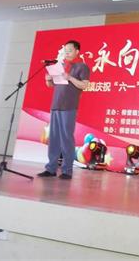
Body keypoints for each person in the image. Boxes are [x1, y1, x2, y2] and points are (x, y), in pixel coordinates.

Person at [38, 40, 89, 180]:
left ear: (77, 51)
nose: (67, 52)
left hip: (69, 107)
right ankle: (51, 169)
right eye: (65, 50)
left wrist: (70, 77)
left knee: (66, 138)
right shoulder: (60, 66)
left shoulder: (82, 67)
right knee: (53, 138)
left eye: (70, 50)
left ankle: (67, 170)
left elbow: (84, 85)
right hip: (56, 106)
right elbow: (51, 85)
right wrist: (48, 79)